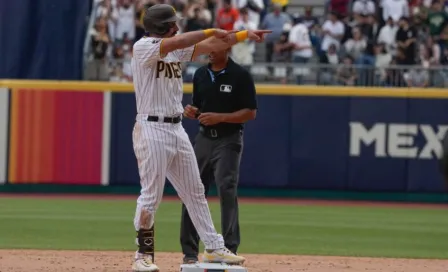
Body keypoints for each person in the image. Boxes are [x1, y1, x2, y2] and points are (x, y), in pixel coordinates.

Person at [130, 4, 271, 272]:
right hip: (151, 128)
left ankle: (215, 246)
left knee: (195, 192)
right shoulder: (143, 47)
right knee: (151, 196)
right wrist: (207, 29)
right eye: (172, 23)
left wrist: (243, 35)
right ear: (163, 27)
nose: (177, 25)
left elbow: (211, 44)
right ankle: (143, 255)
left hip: (175, 128)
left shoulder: (175, 48)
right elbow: (185, 40)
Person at [180, 47, 258, 264]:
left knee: (227, 189)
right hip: (204, 139)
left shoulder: (240, 75)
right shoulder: (201, 74)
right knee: (192, 191)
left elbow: (251, 112)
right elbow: (199, 107)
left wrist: (220, 118)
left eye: (214, 48)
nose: (209, 53)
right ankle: (189, 251)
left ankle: (229, 248)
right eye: (208, 49)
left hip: (229, 139)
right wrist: (192, 112)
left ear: (227, 48)